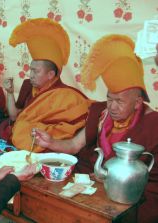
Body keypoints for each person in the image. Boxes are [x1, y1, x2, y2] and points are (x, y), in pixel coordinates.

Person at [34, 34, 158, 223]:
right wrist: (50, 141)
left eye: (119, 101)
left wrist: (112, 179)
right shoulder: (101, 112)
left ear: (137, 102)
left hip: (134, 188)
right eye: (109, 98)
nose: (112, 107)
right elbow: (75, 145)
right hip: (92, 176)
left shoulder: (152, 122)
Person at [0, 18, 90, 152]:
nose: (30, 74)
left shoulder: (67, 96)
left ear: (50, 74)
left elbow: (69, 130)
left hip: (39, 141)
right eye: (30, 69)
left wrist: (27, 127)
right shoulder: (28, 86)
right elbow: (14, 117)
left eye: (35, 71)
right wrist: (9, 93)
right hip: (21, 138)